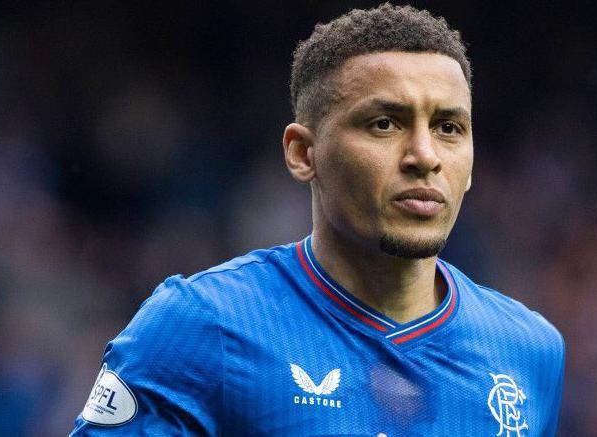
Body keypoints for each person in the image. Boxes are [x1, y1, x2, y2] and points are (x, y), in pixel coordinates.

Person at [71, 4, 564, 436]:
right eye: (384, 123)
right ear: (303, 153)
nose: (425, 155)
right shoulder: (200, 327)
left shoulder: (529, 351)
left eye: (449, 127)